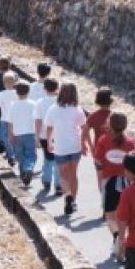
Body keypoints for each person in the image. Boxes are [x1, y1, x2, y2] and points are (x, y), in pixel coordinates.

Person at [93, 112, 135, 260]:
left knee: (110, 215)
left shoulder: (103, 140)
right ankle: (122, 240)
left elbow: (98, 161)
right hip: (127, 182)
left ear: (109, 125)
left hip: (109, 181)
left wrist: (101, 176)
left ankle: (117, 235)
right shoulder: (130, 143)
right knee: (124, 214)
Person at [45, 82, 88, 216]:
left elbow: (49, 127)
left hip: (61, 147)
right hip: (74, 146)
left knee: (63, 175)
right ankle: (74, 201)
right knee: (73, 175)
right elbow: (84, 127)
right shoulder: (78, 109)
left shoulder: (53, 109)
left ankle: (67, 195)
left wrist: (49, 142)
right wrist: (84, 143)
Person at [5, 81, 38, 183]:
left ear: (16, 92)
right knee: (31, 155)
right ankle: (28, 169)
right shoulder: (34, 104)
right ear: (28, 92)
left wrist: (10, 135)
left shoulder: (13, 105)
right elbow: (37, 120)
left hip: (17, 133)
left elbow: (10, 122)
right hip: (30, 133)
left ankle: (23, 174)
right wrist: (38, 135)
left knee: (19, 155)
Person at [84, 87, 114, 192]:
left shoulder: (93, 116)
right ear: (111, 100)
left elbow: (85, 131)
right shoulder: (114, 116)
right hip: (113, 151)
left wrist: (90, 146)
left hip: (98, 151)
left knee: (100, 177)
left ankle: (104, 199)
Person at [33, 78, 61, 195]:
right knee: (58, 160)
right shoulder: (60, 102)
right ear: (57, 88)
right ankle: (58, 184)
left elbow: (38, 120)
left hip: (45, 135)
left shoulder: (40, 102)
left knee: (48, 158)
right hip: (59, 135)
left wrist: (37, 136)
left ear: (44, 89)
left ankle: (47, 180)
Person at [0, 72, 19, 164]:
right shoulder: (17, 93)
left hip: (5, 119)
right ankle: (12, 154)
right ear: (15, 82)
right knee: (14, 136)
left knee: (6, 137)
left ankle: (10, 155)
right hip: (15, 120)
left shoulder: (2, 94)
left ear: (3, 83)